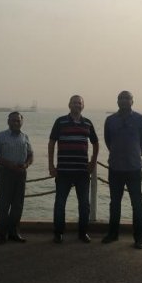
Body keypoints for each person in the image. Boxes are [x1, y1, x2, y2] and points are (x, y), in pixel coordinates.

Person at [48, 95, 99, 243]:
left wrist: (93, 162)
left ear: (83, 106)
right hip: (63, 171)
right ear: (69, 105)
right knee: (60, 204)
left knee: (84, 205)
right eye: (74, 103)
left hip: (82, 172)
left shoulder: (87, 123)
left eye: (79, 103)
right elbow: (51, 143)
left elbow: (96, 143)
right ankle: (58, 233)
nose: (77, 105)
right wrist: (51, 165)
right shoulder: (60, 122)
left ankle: (83, 233)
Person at [102, 91, 142, 249]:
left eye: (126, 98)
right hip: (115, 168)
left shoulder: (140, 119)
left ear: (132, 101)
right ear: (117, 101)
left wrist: (135, 152)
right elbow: (108, 141)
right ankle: (113, 234)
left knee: (137, 203)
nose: (123, 101)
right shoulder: (110, 120)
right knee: (114, 203)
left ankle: (139, 238)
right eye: (121, 98)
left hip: (134, 168)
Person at [0, 112, 33, 245]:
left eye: (18, 121)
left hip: (20, 174)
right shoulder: (0, 136)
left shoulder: (25, 137)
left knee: (17, 205)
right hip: (5, 173)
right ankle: (2, 235)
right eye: (13, 120)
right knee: (4, 205)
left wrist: (26, 164)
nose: (16, 123)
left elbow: (31, 155)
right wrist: (9, 164)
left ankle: (14, 232)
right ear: (8, 122)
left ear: (22, 122)